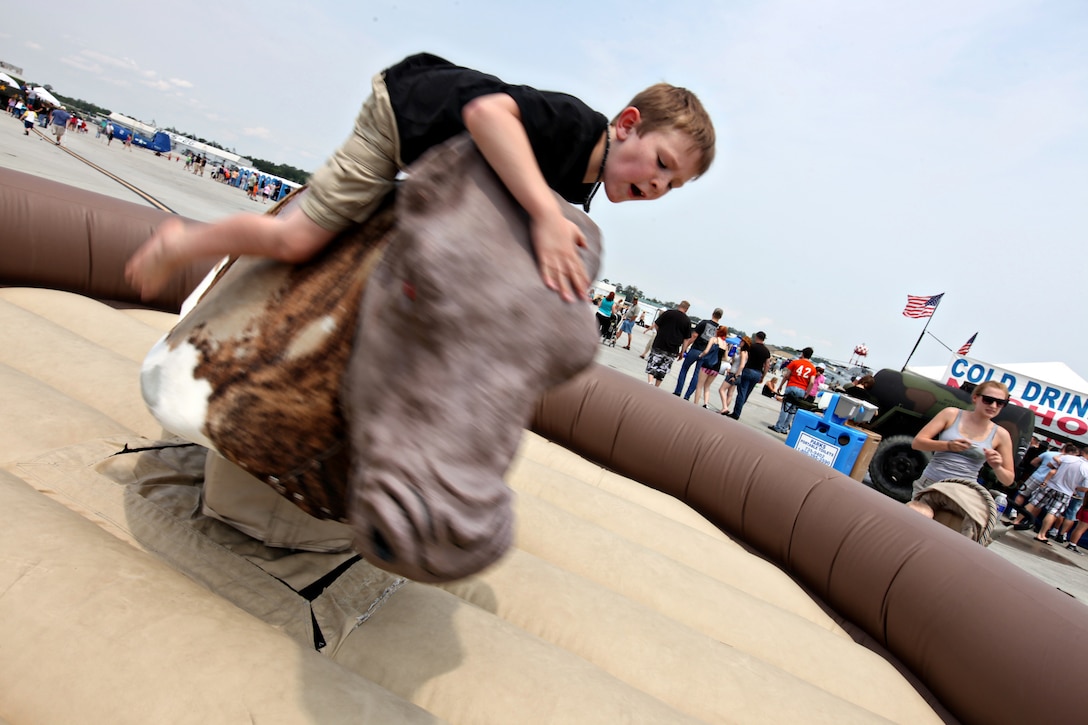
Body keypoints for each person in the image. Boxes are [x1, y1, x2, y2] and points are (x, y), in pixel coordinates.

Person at [125, 52, 716, 306]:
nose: (660, 186)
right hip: (404, 120)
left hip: (441, 177)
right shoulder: (572, 124)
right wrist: (542, 213)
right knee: (298, 240)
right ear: (629, 125)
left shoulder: (583, 190)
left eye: (674, 186)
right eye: (662, 165)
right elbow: (486, 114)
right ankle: (186, 242)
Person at [908, 380, 1015, 499]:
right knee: (922, 514)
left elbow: (1008, 480)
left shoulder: (1001, 434)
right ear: (975, 398)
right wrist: (948, 445)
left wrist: (997, 466)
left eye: (1000, 403)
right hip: (931, 484)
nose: (993, 406)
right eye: (988, 400)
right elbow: (917, 443)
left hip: (962, 494)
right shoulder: (951, 414)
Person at [1008, 452, 1088, 545]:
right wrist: (1075, 487)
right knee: (1053, 512)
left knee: (1033, 503)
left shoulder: (1068, 458)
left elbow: (1050, 465)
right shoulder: (1086, 468)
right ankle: (1041, 534)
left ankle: (1016, 521)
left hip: (1051, 485)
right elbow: (1085, 488)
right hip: (1066, 492)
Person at [673, 308, 723, 399]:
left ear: (713, 313)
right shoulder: (719, 330)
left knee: (684, 369)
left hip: (696, 349)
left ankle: (678, 391)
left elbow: (694, 336)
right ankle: (687, 396)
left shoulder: (704, 323)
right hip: (706, 354)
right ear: (720, 317)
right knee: (697, 375)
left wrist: (685, 348)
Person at [768, 347, 816, 434]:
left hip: (792, 386)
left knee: (785, 408)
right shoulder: (812, 368)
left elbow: (787, 375)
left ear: (803, 354)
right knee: (792, 410)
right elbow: (812, 382)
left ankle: (778, 426)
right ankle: (785, 428)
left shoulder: (795, 362)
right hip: (802, 389)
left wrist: (781, 385)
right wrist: (807, 393)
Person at [645, 301, 691, 387]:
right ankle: (656, 386)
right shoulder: (687, 321)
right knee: (664, 368)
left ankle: (650, 382)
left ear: (678, 305)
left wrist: (660, 333)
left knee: (653, 363)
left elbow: (656, 324)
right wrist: (682, 351)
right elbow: (686, 339)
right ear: (687, 309)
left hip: (660, 343)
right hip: (673, 348)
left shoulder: (668, 313)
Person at [728, 331, 771, 420]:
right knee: (747, 394)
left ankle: (736, 413)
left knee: (742, 392)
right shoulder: (766, 351)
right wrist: (763, 376)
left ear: (756, 337)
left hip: (748, 370)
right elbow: (767, 365)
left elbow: (745, 357)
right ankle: (738, 409)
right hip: (758, 373)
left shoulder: (751, 347)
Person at [693, 325, 729, 408]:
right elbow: (726, 358)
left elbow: (706, 351)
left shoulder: (714, 339)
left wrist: (701, 355)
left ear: (718, 331)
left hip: (707, 365)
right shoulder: (725, 344)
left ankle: (695, 403)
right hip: (716, 368)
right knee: (707, 386)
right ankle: (706, 403)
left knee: (699, 385)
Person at [718, 335, 748, 416]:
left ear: (745, 343)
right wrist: (734, 355)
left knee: (721, 390)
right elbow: (734, 362)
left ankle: (725, 407)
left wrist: (735, 376)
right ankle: (724, 408)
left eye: (742, 342)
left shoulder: (743, 352)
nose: (740, 343)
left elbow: (741, 365)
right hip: (737, 374)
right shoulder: (743, 352)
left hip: (734, 373)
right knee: (730, 393)